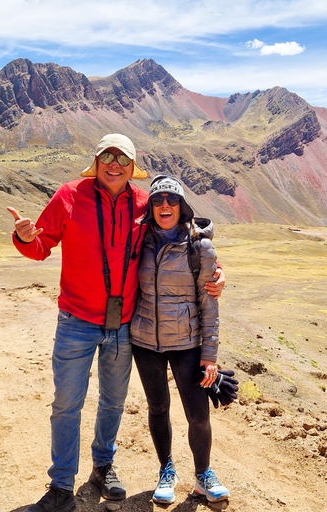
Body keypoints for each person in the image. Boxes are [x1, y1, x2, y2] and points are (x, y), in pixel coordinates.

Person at [7, 134, 225, 512]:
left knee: (113, 402)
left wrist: (216, 273)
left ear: (132, 167)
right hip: (76, 320)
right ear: (96, 162)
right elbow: (41, 247)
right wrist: (23, 237)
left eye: (123, 158)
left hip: (123, 324)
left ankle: (103, 467)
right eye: (107, 156)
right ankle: (60, 487)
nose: (114, 164)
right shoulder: (69, 195)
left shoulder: (145, 203)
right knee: (66, 404)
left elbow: (180, 242)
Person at [130, 175, 230, 505]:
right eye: (157, 200)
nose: (164, 206)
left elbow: (209, 305)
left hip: (187, 344)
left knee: (198, 415)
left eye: (171, 200)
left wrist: (210, 356)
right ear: (151, 207)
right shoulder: (138, 240)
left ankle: (203, 475)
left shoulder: (198, 246)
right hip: (145, 342)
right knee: (158, 408)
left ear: (182, 206)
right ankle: (166, 471)